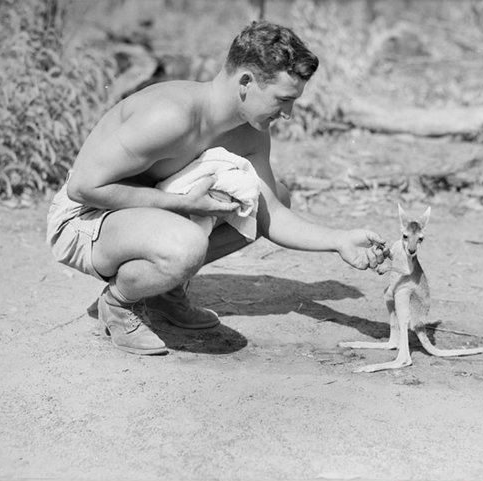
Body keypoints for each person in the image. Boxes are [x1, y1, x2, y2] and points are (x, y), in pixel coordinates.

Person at [46, 20, 388, 356]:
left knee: (271, 197)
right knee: (187, 245)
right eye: (283, 99)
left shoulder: (252, 133)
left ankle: (164, 289)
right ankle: (118, 304)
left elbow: (273, 215)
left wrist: (339, 240)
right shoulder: (171, 115)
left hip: (143, 217)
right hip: (84, 220)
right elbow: (83, 188)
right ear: (246, 82)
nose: (289, 113)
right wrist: (178, 204)